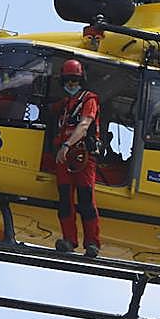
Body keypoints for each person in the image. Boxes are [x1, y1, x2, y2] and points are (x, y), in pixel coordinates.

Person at [52, 59, 102, 257]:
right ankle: (69, 240)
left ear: (81, 81)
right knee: (65, 200)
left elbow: (84, 125)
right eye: (68, 81)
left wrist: (66, 145)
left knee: (86, 199)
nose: (71, 84)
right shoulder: (65, 104)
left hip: (83, 157)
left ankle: (92, 243)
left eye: (75, 80)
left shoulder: (89, 100)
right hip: (64, 158)